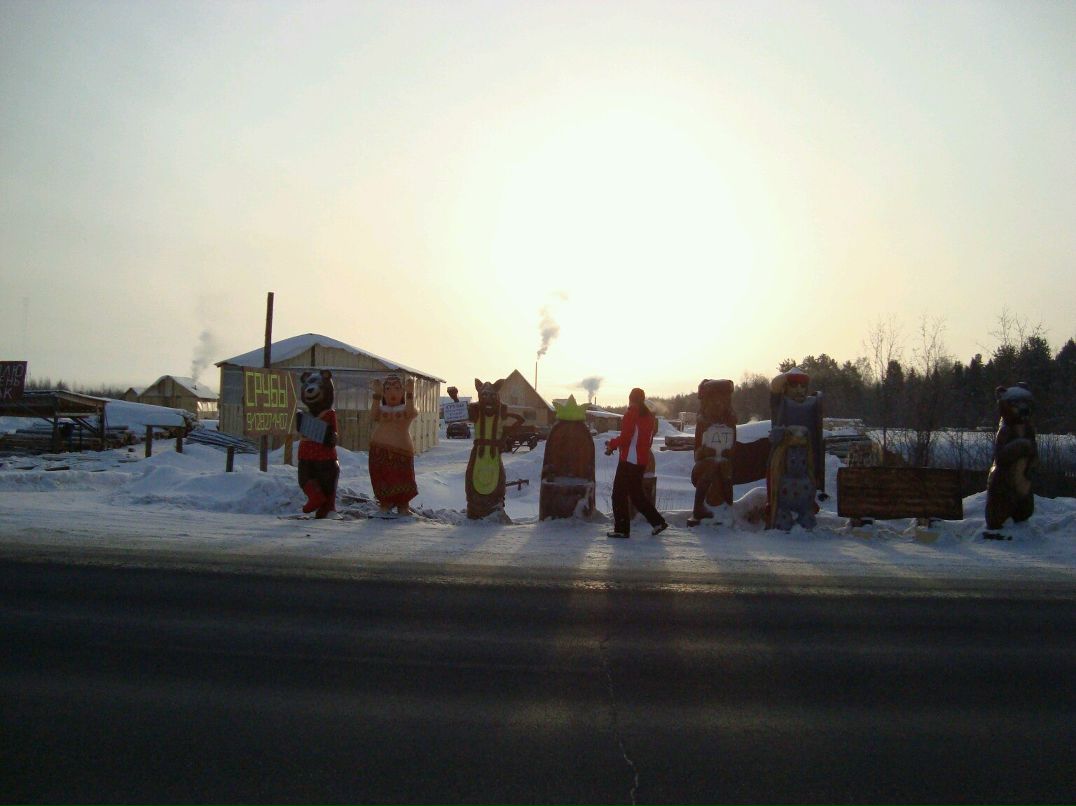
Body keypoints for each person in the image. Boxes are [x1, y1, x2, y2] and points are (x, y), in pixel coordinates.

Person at [604, 387, 668, 538]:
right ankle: (658, 522)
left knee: (618, 494)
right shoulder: (649, 418)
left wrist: (612, 444)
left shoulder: (631, 414)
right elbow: (648, 440)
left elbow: (626, 438)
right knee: (636, 495)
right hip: (641, 461)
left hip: (628, 461)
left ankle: (621, 529)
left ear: (630, 399)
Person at [369, 374, 419, 517]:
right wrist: (376, 396)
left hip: (402, 451)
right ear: (384, 392)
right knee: (382, 478)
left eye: (397, 388)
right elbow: (373, 415)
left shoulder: (405, 409)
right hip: (379, 450)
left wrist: (410, 393)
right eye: (388, 388)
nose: (392, 392)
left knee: (403, 478)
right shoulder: (381, 411)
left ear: (402, 392)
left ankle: (403, 505)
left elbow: (411, 412)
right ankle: (385, 504)